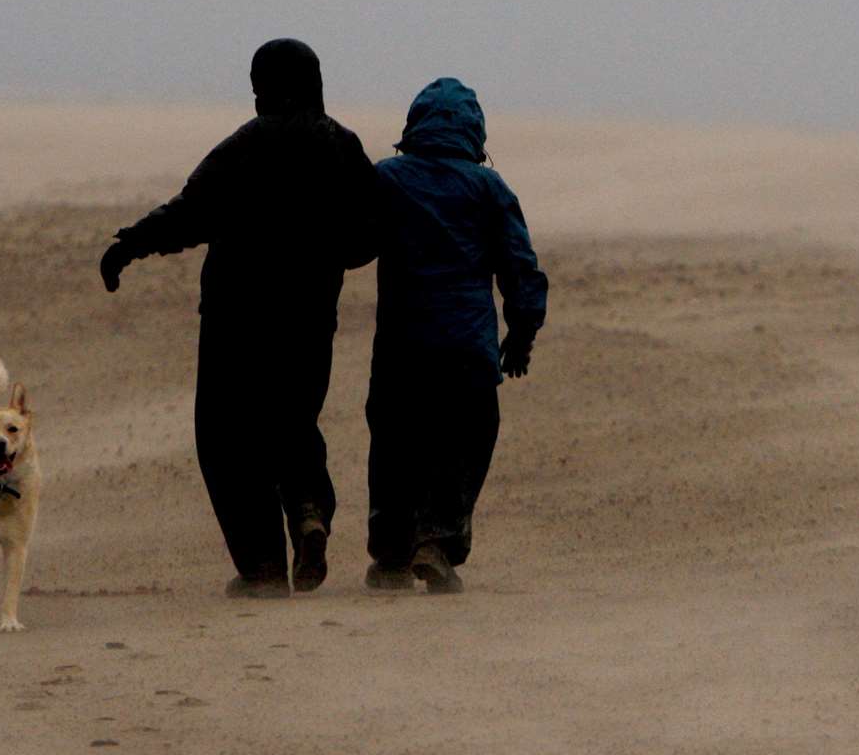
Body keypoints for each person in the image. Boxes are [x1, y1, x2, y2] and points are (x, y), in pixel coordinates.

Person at [99, 39, 377, 598]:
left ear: (268, 87)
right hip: (309, 316)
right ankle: (307, 510)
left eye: (258, 86)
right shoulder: (342, 146)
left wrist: (130, 244)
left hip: (236, 318)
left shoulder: (246, 145)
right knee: (293, 421)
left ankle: (265, 569)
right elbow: (369, 233)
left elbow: (191, 213)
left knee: (228, 438)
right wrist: (323, 257)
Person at [365, 77, 548, 593]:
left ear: (414, 125)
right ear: (475, 131)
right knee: (462, 446)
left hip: (402, 346)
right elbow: (521, 268)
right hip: (468, 349)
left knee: (396, 446)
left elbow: (353, 241)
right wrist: (522, 333)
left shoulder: (388, 179)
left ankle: (393, 555)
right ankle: (438, 544)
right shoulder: (490, 188)